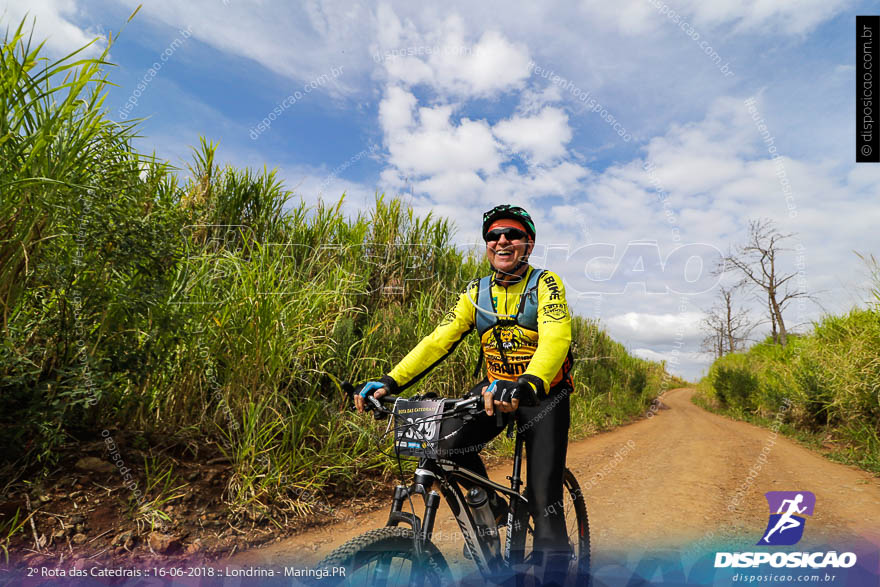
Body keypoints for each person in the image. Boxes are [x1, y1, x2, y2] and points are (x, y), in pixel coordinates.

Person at [354, 204, 574, 584]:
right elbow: (438, 341)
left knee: (543, 500)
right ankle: (491, 505)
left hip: (542, 396)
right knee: (441, 444)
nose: (501, 240)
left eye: (512, 234)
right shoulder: (476, 293)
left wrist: (531, 381)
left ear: (529, 244)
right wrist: (390, 381)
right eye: (493, 236)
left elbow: (556, 337)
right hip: (493, 391)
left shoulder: (546, 283)